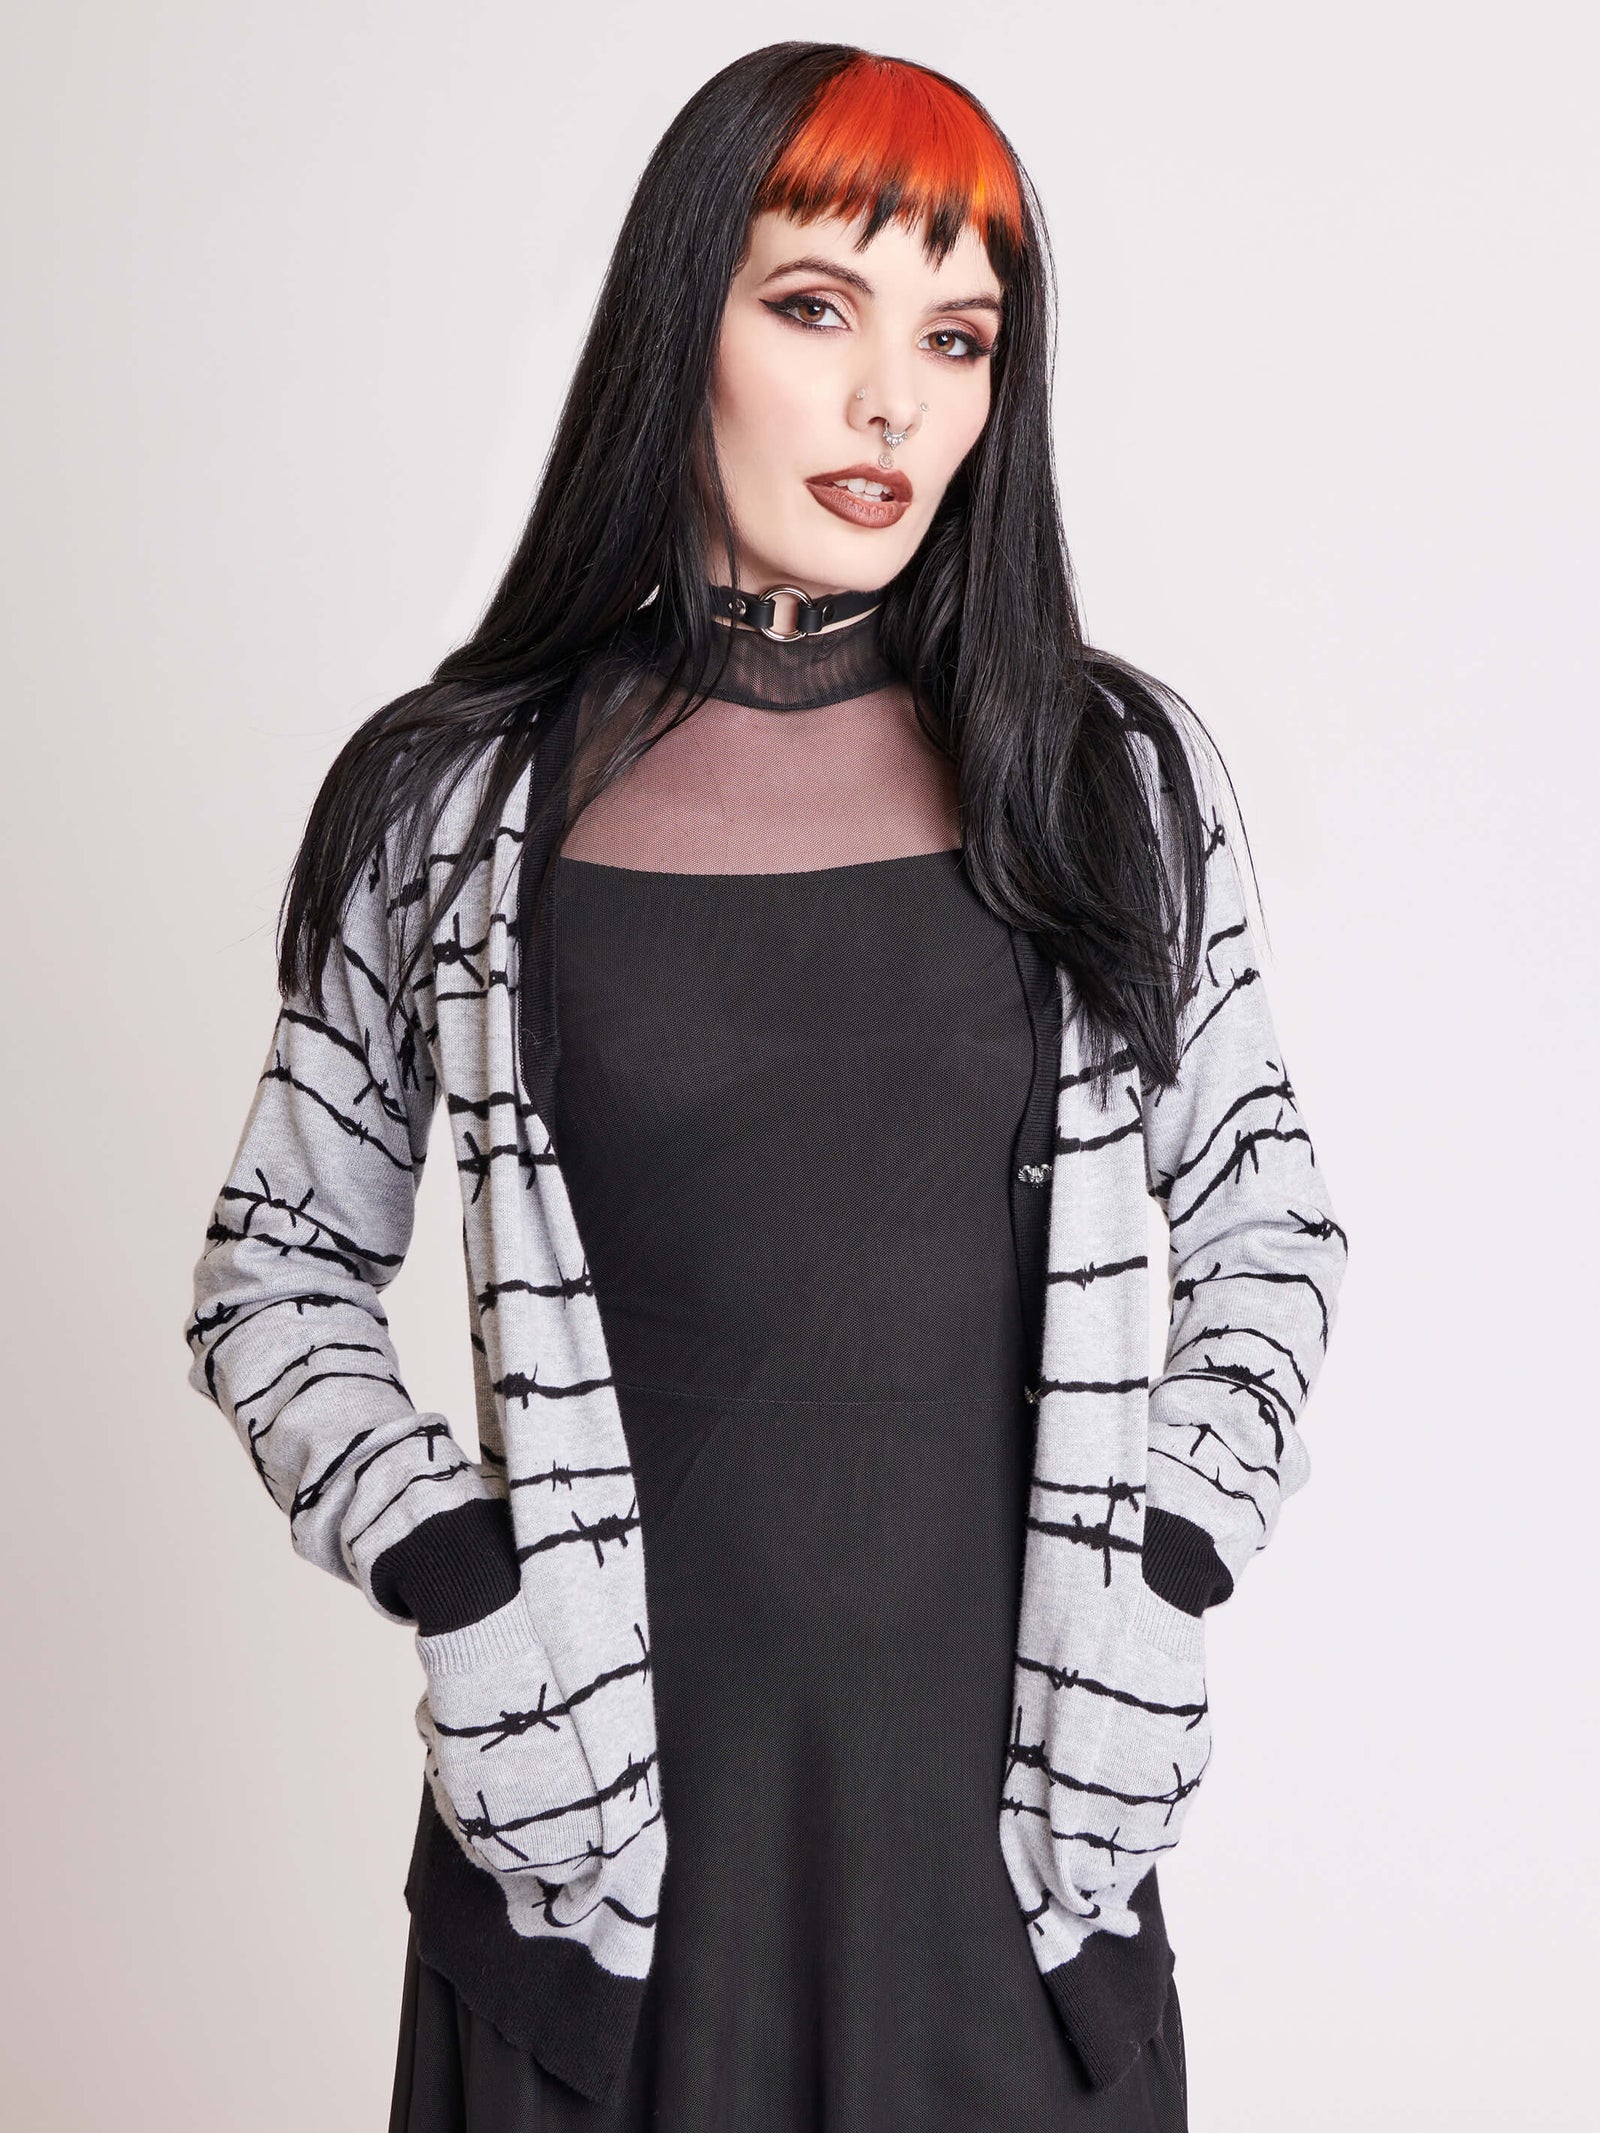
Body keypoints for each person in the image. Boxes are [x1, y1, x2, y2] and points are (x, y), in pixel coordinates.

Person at [184, 41, 1348, 2133]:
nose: (893, 401)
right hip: (598, 1866)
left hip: (1010, 1867)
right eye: (818, 307)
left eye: (957, 338)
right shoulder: (451, 807)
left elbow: (1268, 1225)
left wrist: (1165, 1560)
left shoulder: (1107, 782)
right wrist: (461, 1582)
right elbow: (274, 1272)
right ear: (681, 323)